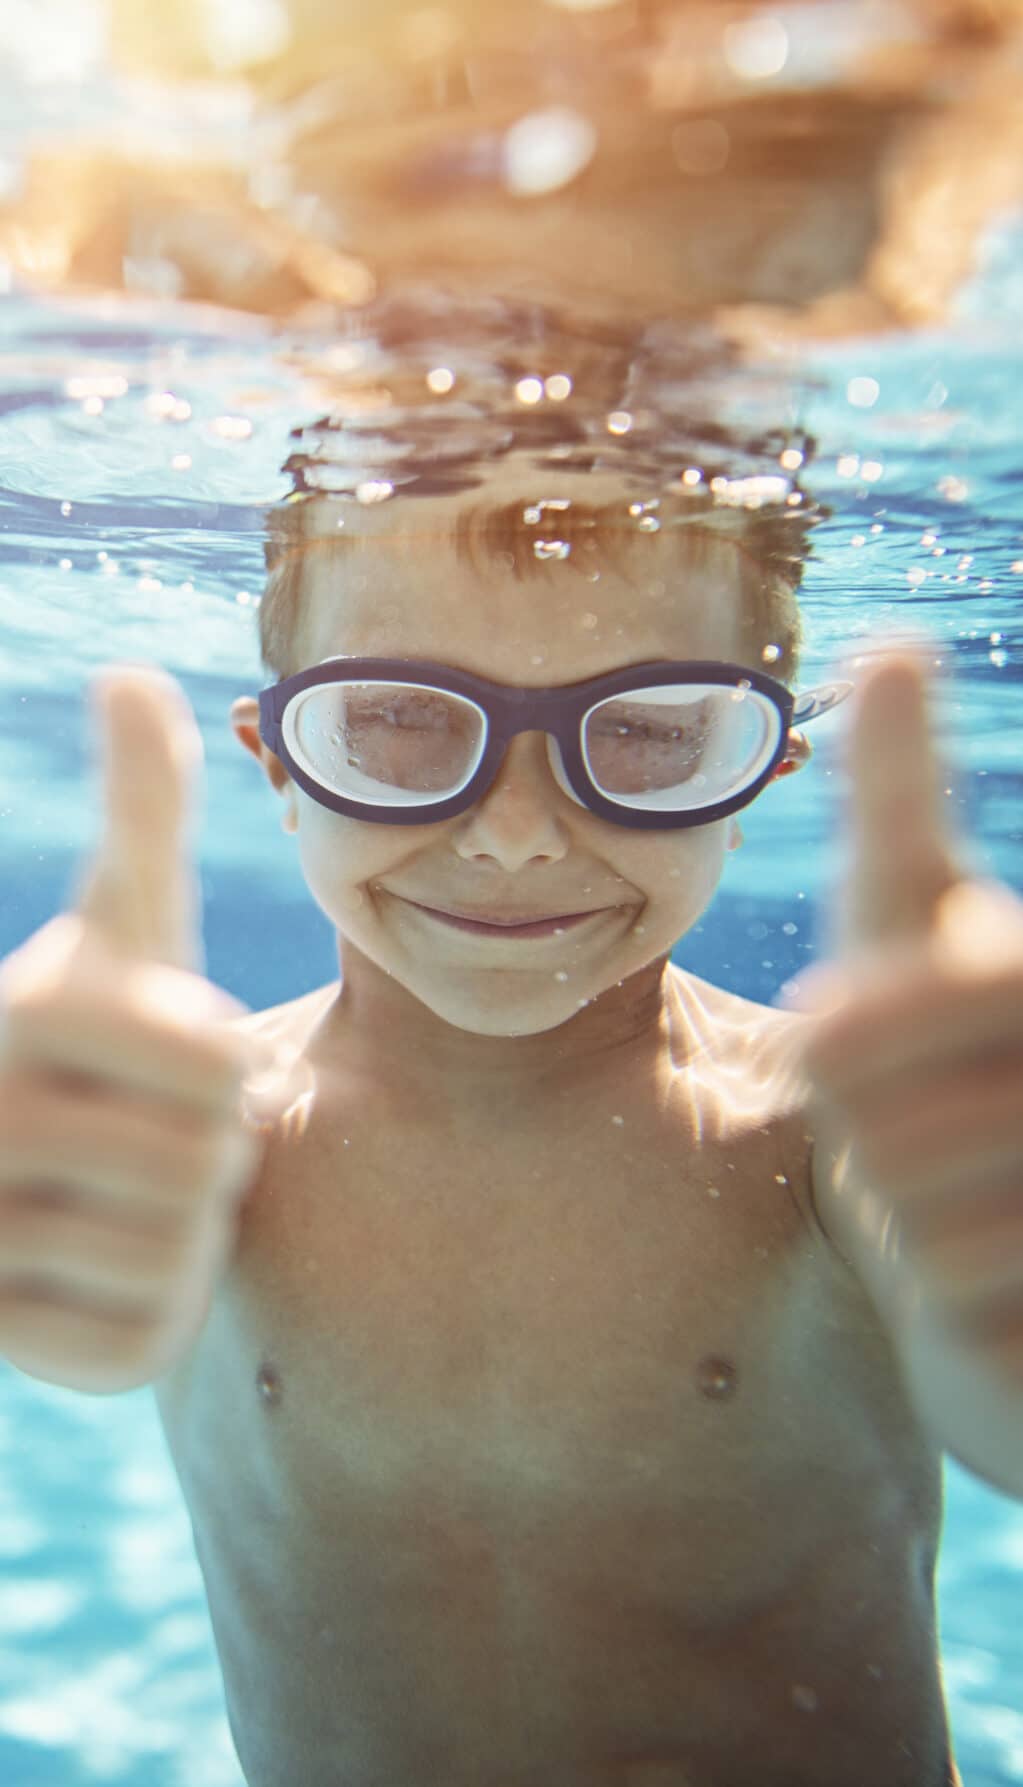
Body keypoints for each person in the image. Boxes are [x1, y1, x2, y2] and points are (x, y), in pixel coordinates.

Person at [8, 373, 1018, 1781]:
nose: (516, 838)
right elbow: (69, 1303)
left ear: (760, 772)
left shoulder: (823, 1132)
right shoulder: (197, 1140)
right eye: (403, 723)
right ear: (280, 761)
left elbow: (996, 1380)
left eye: (651, 735)